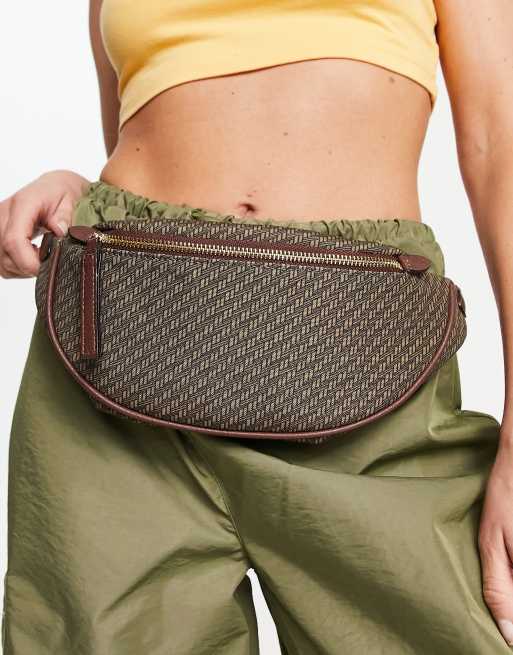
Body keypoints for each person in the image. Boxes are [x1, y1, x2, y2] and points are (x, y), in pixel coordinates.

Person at [1, 1, 513, 653]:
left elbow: (499, 143)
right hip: (124, 356)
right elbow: (143, 127)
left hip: (357, 340)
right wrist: (83, 197)